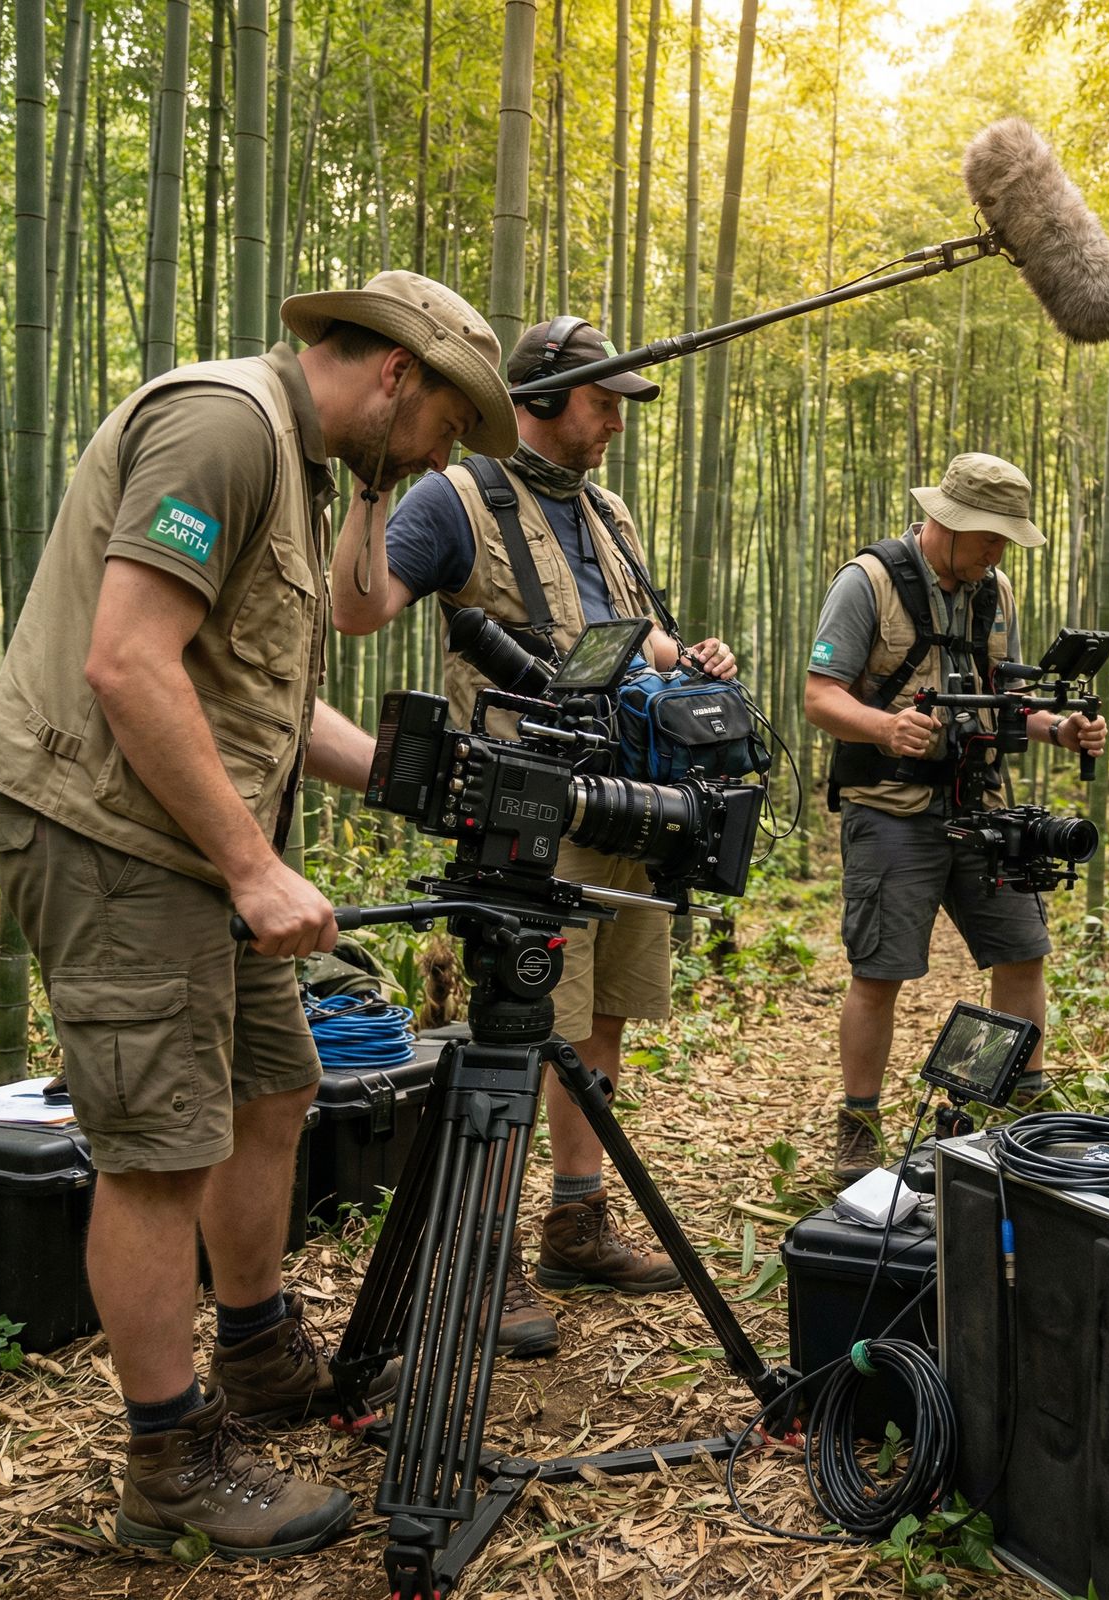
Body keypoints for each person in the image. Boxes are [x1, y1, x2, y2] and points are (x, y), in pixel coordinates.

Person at [0, 271, 516, 1559]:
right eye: (451, 421)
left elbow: (263, 698)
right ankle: (167, 1460)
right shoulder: (226, 427)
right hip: (111, 831)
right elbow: (126, 658)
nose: (449, 454)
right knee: (160, 1145)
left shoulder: (306, 464)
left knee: (275, 1086)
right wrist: (252, 866)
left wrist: (416, 783)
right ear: (397, 372)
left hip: (189, 835)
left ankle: (261, 1347)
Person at [330, 314, 738, 1358]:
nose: (613, 426)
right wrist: (370, 481)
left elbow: (633, 631)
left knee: (598, 1019)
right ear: (544, 398)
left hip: (626, 800)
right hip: (521, 808)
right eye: (604, 404)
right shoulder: (454, 495)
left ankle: (574, 1219)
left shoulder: (610, 511)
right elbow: (363, 607)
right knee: (511, 1030)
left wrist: (688, 658)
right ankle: (477, 1258)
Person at [804, 452, 1108, 1181]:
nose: (999, 551)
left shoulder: (992, 589)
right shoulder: (867, 582)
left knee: (1022, 947)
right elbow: (820, 697)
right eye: (990, 536)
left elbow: (1004, 698)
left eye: (1007, 538)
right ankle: (859, 1121)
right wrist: (883, 728)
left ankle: (1022, 1104)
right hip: (892, 807)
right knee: (881, 969)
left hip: (983, 802)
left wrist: (1056, 729)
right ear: (947, 520)